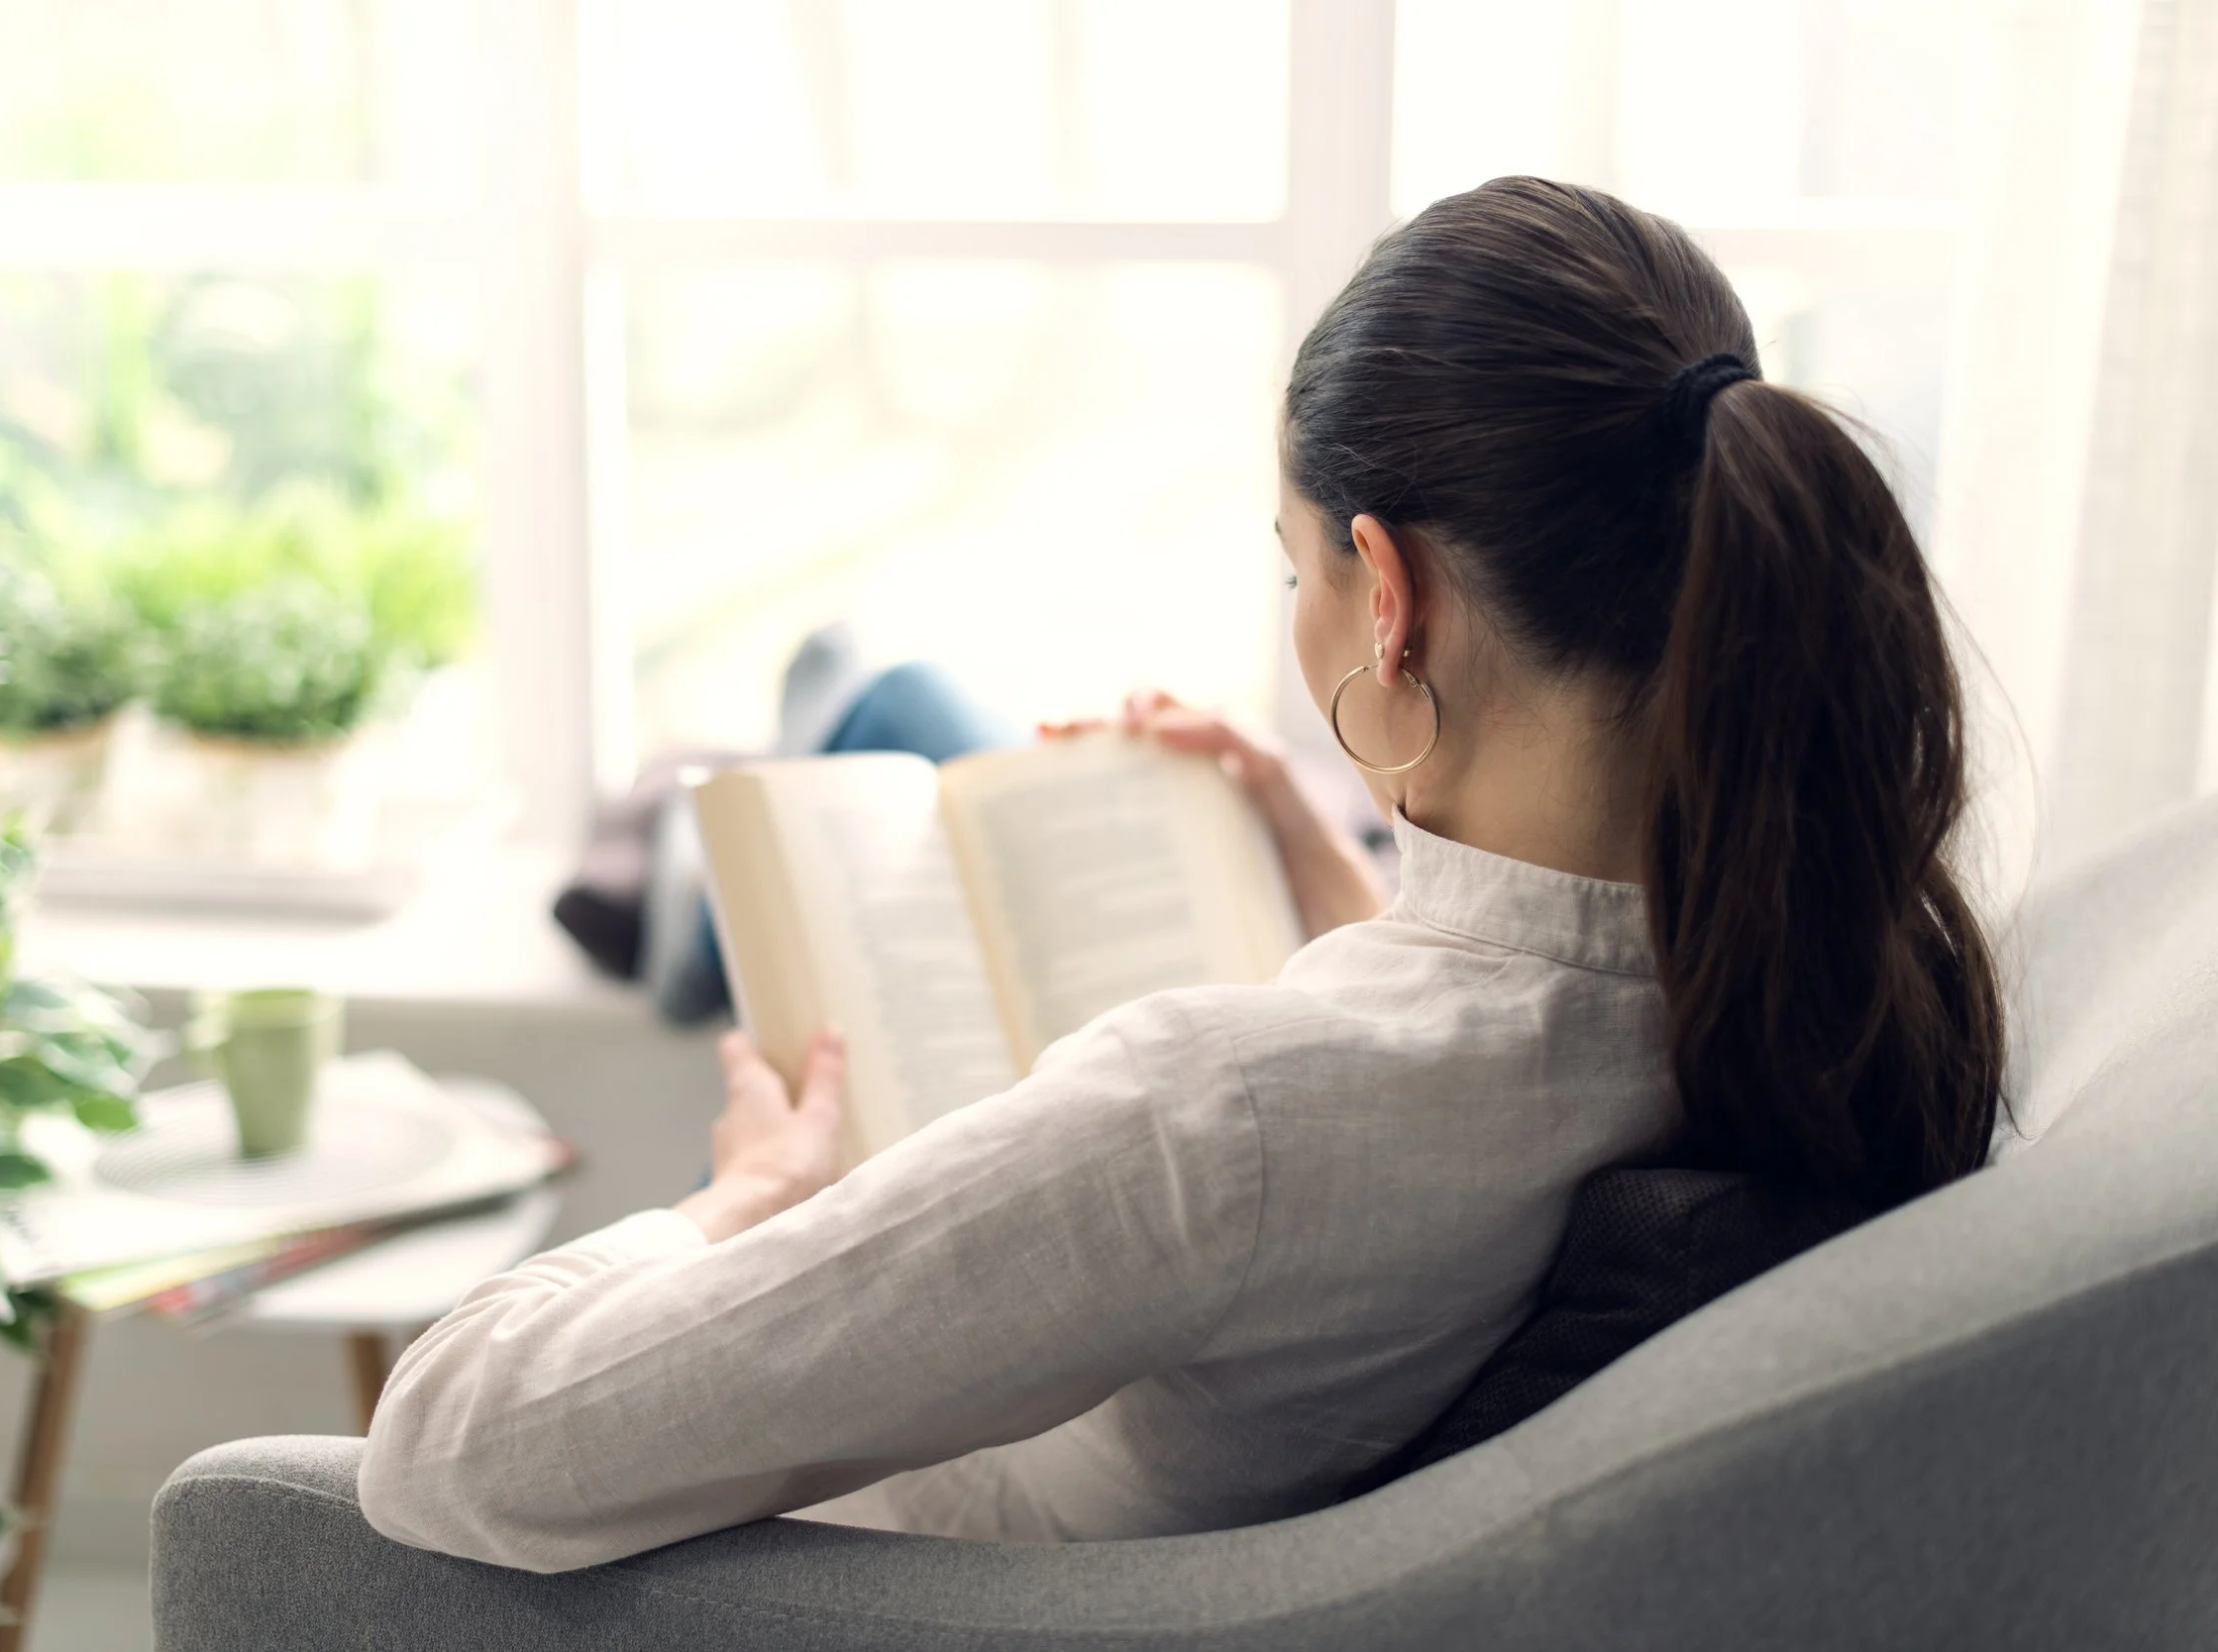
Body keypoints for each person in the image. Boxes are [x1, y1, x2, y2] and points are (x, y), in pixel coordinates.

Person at [356, 176, 2004, 1569]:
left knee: (885, 706)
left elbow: (452, 1444)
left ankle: (717, 817)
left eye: (1295, 571)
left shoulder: (1213, 1120)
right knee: (909, 714)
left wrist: (748, 1199)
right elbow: (1495, 1054)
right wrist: (1335, 868)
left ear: (1390, 599)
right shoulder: (1845, 981)